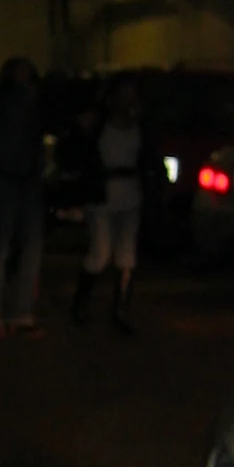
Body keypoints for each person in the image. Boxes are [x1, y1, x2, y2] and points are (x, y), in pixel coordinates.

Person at [0, 57, 46, 335]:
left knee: (26, 245)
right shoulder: (3, 101)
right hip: (6, 177)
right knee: (2, 244)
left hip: (23, 178)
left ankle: (18, 311)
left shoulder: (30, 101)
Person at [71, 74, 144, 335]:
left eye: (131, 95)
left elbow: (146, 158)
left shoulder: (139, 126)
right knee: (100, 252)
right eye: (122, 95)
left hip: (130, 193)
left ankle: (120, 311)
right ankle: (81, 304)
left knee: (126, 255)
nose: (127, 100)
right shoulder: (98, 125)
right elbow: (78, 152)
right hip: (102, 194)